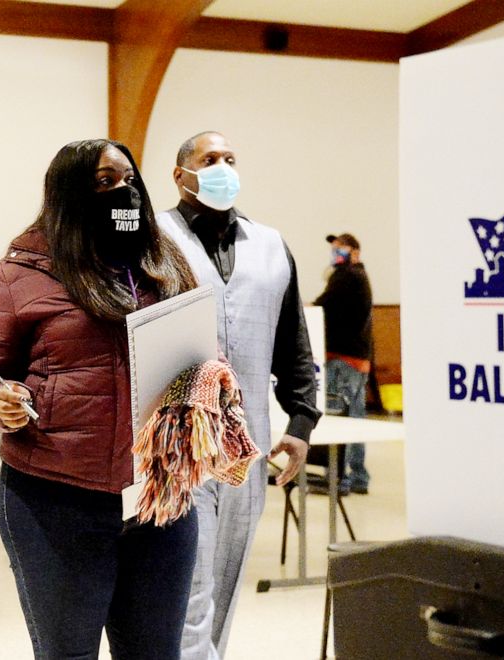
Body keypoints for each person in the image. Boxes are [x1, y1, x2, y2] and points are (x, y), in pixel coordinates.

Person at [0, 139, 201, 660]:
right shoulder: (22, 272)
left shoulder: (164, 260)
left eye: (129, 179)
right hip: (57, 500)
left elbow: (197, 353)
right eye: (105, 183)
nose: (124, 191)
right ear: (68, 196)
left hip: (159, 496)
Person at [156, 131, 321, 659]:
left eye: (230, 158)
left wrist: (300, 425)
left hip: (248, 447)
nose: (223, 167)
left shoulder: (270, 245)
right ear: (181, 175)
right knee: (190, 593)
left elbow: (293, 343)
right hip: (176, 446)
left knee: (223, 589)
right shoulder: (153, 239)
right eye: (209, 159)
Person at [314, 233, 374, 494]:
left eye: (340, 248)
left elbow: (322, 307)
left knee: (340, 419)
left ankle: (341, 478)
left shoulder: (345, 277)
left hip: (342, 358)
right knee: (356, 418)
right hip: (358, 359)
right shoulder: (359, 277)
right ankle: (358, 475)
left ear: (355, 252)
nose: (335, 252)